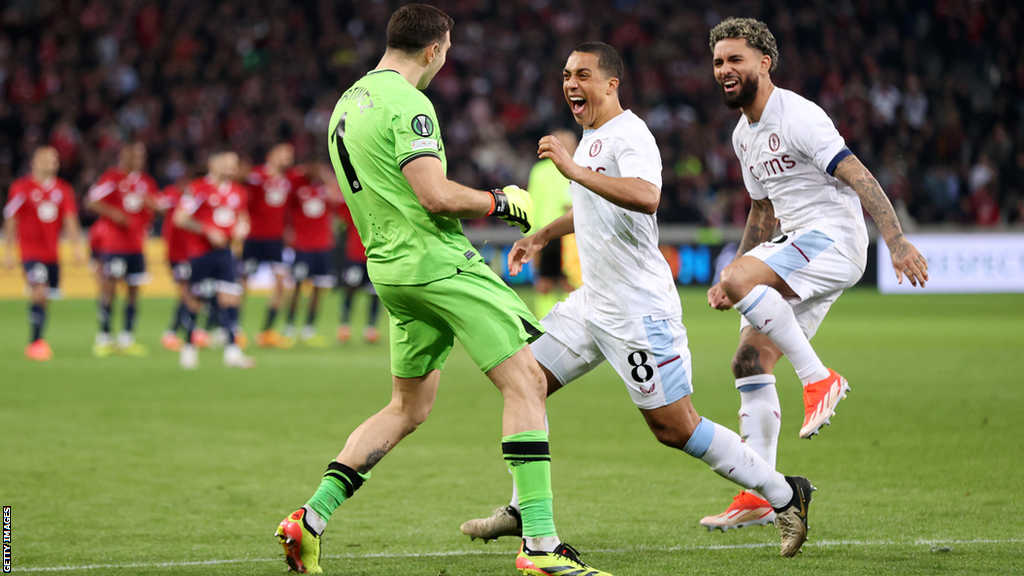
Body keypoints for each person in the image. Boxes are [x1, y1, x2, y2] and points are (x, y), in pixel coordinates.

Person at [274, 6, 610, 575]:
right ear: (433, 50)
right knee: (526, 381)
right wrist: (499, 201)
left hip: (389, 270)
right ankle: (542, 547)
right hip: (436, 263)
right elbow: (433, 194)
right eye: (446, 50)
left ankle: (309, 519)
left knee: (408, 406)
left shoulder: (347, 103)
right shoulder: (410, 103)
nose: (445, 59)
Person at [459, 42, 814, 559]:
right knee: (524, 382)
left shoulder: (630, 134)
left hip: (638, 311)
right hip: (592, 304)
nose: (571, 84)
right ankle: (525, 509)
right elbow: (594, 205)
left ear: (610, 84)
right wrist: (543, 236)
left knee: (675, 427)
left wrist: (573, 171)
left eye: (582, 75)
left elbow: (647, 196)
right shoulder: (590, 140)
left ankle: (786, 494)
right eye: (565, 75)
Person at [698, 18, 928, 531]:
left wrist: (895, 240)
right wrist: (730, 275)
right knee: (748, 361)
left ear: (764, 62)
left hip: (832, 238)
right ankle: (759, 492)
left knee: (740, 283)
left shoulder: (799, 116)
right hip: (794, 245)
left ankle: (820, 378)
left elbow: (859, 175)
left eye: (735, 59)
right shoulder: (743, 135)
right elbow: (761, 212)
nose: (725, 70)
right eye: (718, 62)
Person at [172, 151, 255, 370]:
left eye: (234, 164)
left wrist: (242, 229)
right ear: (213, 164)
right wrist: (207, 231)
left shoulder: (238, 191)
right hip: (201, 252)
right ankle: (189, 349)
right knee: (195, 300)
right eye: (226, 164)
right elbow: (180, 218)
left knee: (231, 298)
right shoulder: (198, 188)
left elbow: (244, 218)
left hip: (226, 252)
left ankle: (232, 352)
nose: (231, 168)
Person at [2, 146, 85, 360]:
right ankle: (35, 342)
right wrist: (8, 251)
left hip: (52, 254)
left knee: (45, 296)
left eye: (55, 159)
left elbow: (70, 220)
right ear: (34, 162)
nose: (52, 162)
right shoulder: (21, 188)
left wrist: (77, 248)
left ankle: (38, 338)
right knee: (39, 291)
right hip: (30, 251)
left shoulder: (63, 189)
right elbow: (11, 220)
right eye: (47, 158)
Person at [85, 142, 160, 357]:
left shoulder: (146, 182)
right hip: (114, 245)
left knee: (134, 293)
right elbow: (91, 200)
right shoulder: (112, 178)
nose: (138, 159)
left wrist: (152, 204)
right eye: (134, 154)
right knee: (109, 290)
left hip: (136, 245)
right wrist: (113, 213)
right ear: (124, 156)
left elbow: (159, 206)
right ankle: (104, 337)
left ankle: (127, 338)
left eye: (141, 155)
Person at [243, 143, 296, 349]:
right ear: (270, 155)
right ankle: (231, 329)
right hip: (254, 237)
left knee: (282, 285)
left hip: (275, 240)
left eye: (290, 154)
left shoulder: (288, 180)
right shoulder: (256, 176)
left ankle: (266, 332)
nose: (287, 157)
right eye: (283, 153)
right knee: (241, 285)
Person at [281, 162, 338, 347]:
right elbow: (286, 206)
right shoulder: (298, 188)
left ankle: (309, 330)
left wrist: (328, 179)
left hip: (323, 246)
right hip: (302, 246)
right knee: (297, 288)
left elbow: (338, 201)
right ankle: (289, 328)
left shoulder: (326, 189)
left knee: (318, 290)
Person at [527, 128, 577, 318]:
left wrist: (530, 236)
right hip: (559, 233)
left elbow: (531, 204)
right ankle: (566, 322)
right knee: (564, 282)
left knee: (552, 282)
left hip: (552, 232)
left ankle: (548, 322)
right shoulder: (574, 168)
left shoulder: (540, 170)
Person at [335, 190, 381, 344]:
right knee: (349, 289)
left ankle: (371, 329)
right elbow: (340, 213)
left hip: (376, 256)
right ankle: (344, 326)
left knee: (375, 293)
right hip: (355, 255)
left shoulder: (381, 205)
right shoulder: (355, 204)